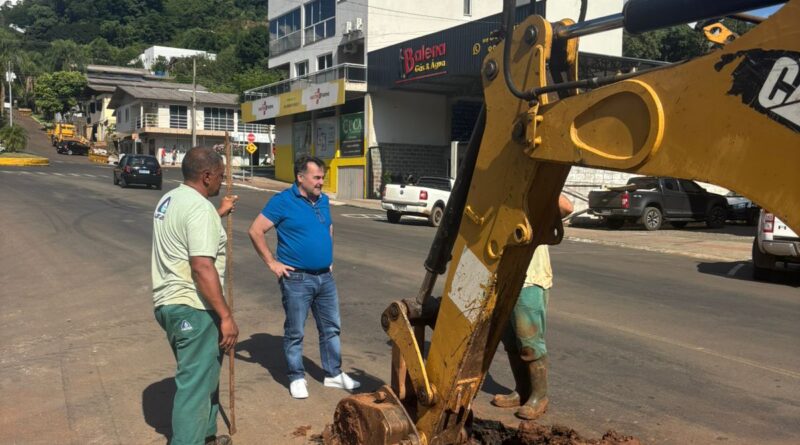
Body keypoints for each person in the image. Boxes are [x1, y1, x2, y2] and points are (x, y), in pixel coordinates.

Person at [248, 154, 360, 399]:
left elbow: (328, 226)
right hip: (296, 279)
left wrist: (328, 258)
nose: (321, 182)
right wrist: (273, 263)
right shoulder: (282, 201)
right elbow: (256, 230)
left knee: (331, 328)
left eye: (323, 177)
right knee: (295, 331)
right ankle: (296, 376)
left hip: (325, 278)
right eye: (317, 177)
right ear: (301, 177)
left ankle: (333, 374)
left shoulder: (323, 200)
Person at [152, 146, 239, 445]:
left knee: (206, 377)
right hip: (192, 307)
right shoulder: (199, 209)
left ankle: (206, 437)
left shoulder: (170, 199)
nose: (221, 181)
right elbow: (202, 267)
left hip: (168, 304)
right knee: (194, 386)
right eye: (220, 176)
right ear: (206, 176)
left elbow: (189, 233)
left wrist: (218, 214)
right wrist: (226, 316)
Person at [492, 194, 574, 420]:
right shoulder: (499, 188)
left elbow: (566, 207)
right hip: (502, 277)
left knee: (529, 342)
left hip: (530, 278)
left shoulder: (536, 189)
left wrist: (541, 186)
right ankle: (522, 390)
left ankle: (540, 396)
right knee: (509, 340)